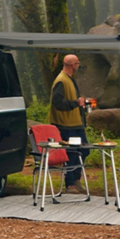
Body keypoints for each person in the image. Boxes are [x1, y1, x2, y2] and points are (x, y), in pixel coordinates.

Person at [48, 54, 89, 193]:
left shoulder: (70, 79)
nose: (78, 65)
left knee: (84, 149)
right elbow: (57, 102)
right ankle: (70, 183)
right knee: (71, 153)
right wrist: (75, 103)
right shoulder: (61, 80)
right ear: (72, 65)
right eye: (77, 63)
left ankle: (75, 178)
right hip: (65, 124)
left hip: (75, 123)